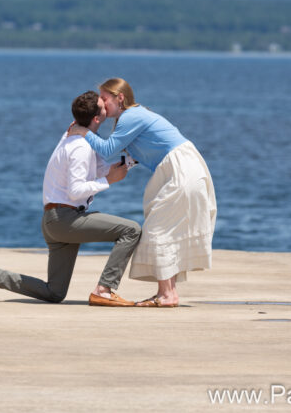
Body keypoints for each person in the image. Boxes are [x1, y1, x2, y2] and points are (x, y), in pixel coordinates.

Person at [0, 91, 141, 306]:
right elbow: (76, 190)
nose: (108, 107)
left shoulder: (74, 136)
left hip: (54, 220)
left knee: (55, 292)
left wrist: (129, 162)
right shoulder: (80, 147)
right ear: (97, 119)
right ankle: (104, 290)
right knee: (131, 230)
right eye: (103, 106)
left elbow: (98, 168)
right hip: (65, 219)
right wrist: (108, 181)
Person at [68, 78, 216, 308]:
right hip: (180, 167)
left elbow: (107, 150)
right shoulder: (129, 119)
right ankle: (169, 294)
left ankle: (167, 295)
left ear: (120, 98)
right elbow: (132, 156)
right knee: (164, 229)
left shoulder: (131, 117)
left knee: (158, 229)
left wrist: (82, 131)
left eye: (105, 99)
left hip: (181, 168)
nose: (102, 105)